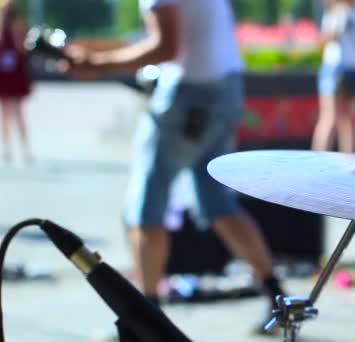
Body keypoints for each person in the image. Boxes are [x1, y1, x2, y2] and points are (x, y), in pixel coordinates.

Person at [64, 0, 285, 333]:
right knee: (217, 202)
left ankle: (146, 321)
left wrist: (99, 64)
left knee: (145, 207)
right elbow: (182, 35)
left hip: (187, 96)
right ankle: (278, 299)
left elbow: (166, 46)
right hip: (225, 89)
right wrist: (98, 53)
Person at [311, 0, 355, 154]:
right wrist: (335, 30)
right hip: (335, 68)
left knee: (351, 120)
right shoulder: (335, 11)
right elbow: (323, 42)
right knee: (330, 117)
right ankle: (318, 162)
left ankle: (350, 165)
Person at [0, 0, 32, 164]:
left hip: (10, 73)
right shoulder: (13, 25)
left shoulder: (14, 26)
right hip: (8, 74)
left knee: (12, 113)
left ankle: (16, 148)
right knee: (11, 113)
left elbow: (21, 47)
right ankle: (12, 148)